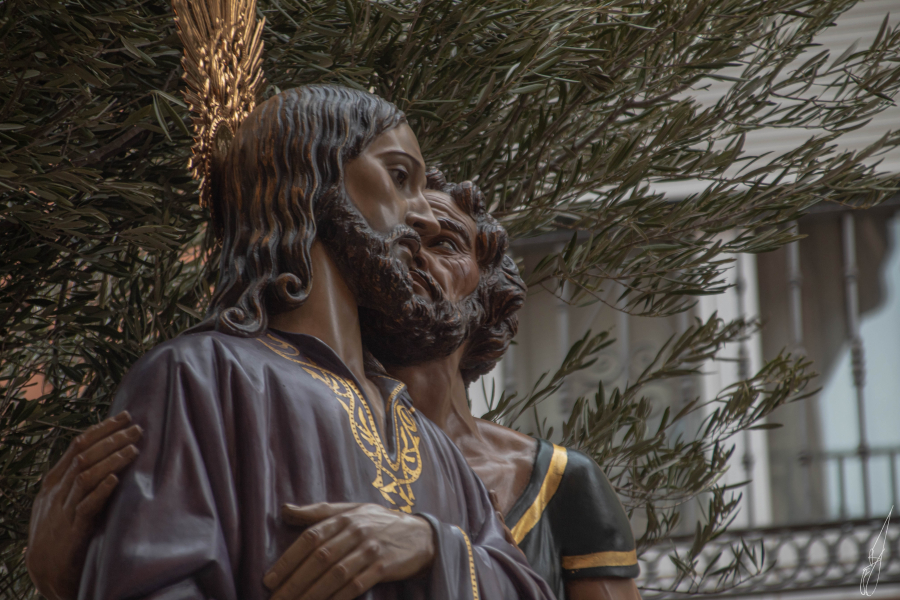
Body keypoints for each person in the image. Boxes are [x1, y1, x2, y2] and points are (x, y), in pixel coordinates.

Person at [26, 85, 555, 600]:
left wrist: (432, 546)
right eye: (399, 176)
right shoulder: (200, 378)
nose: (422, 216)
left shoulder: (422, 435)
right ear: (313, 175)